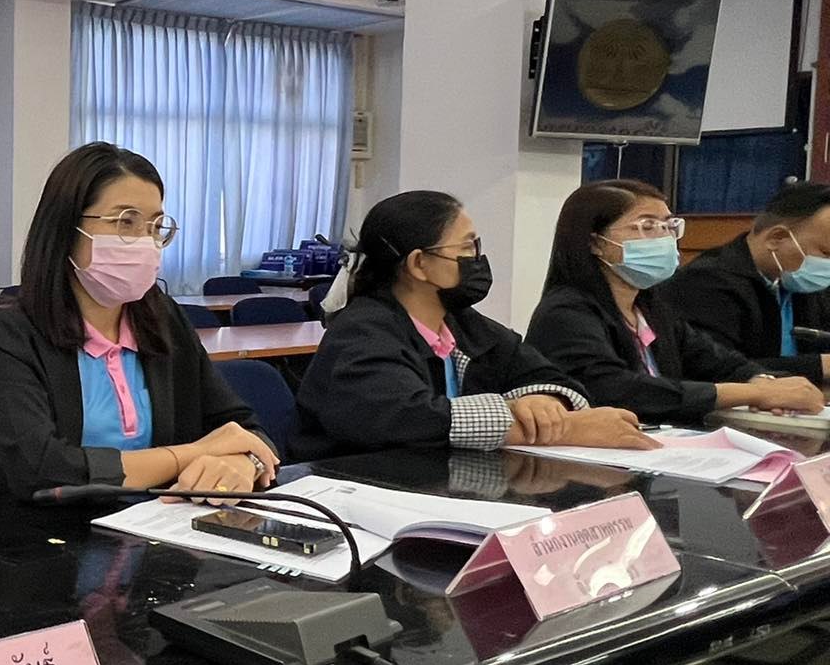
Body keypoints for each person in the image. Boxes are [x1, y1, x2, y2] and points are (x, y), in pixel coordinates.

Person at [0, 141, 280, 510]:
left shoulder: (164, 319)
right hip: (39, 537)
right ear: (67, 228)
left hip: (154, 526)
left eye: (156, 226)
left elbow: (241, 428)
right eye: (125, 222)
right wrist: (190, 455)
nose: (145, 241)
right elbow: (40, 470)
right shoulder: (11, 332)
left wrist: (242, 462)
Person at [291, 190, 655, 461]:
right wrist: (552, 430)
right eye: (467, 249)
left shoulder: (462, 324)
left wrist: (541, 400)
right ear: (419, 264)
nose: (477, 260)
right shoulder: (364, 331)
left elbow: (555, 377)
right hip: (354, 491)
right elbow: (407, 418)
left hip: (441, 484)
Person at [527, 180, 823, 425]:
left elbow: (718, 361)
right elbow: (614, 388)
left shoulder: (651, 308)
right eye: (647, 226)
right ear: (595, 242)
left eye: (669, 226)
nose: (664, 237)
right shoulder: (566, 311)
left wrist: (766, 383)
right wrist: (752, 394)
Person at [661, 181, 830, 381]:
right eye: (826, 253)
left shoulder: (805, 284)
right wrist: (819, 367)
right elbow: (713, 369)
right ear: (776, 238)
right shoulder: (706, 283)